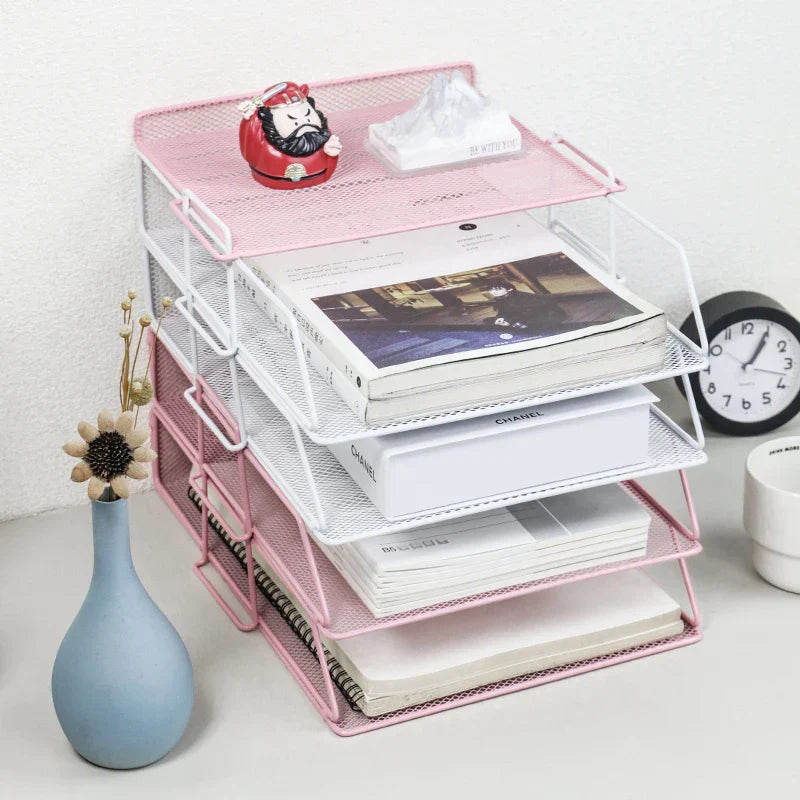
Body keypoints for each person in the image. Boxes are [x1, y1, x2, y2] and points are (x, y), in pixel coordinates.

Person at [485, 280, 567, 332]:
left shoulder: (524, 298)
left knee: (524, 328)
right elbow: (503, 311)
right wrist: (500, 318)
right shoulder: (501, 298)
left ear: (510, 289)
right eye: (491, 290)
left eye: (498, 289)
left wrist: (510, 321)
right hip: (525, 316)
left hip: (548, 315)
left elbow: (532, 313)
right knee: (488, 321)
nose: (494, 292)